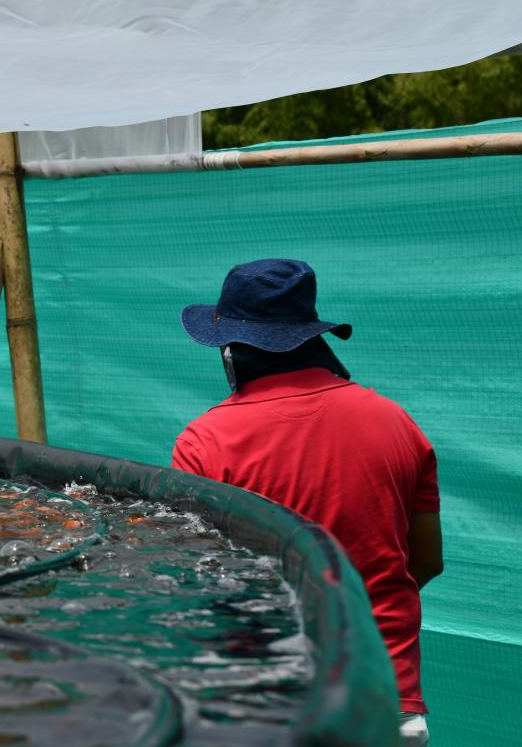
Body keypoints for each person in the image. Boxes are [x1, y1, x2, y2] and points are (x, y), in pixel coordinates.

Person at [172, 259, 442, 747]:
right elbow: (426, 561)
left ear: (231, 351)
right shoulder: (396, 421)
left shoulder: (206, 441)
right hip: (386, 695)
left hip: (274, 703)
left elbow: (202, 585)